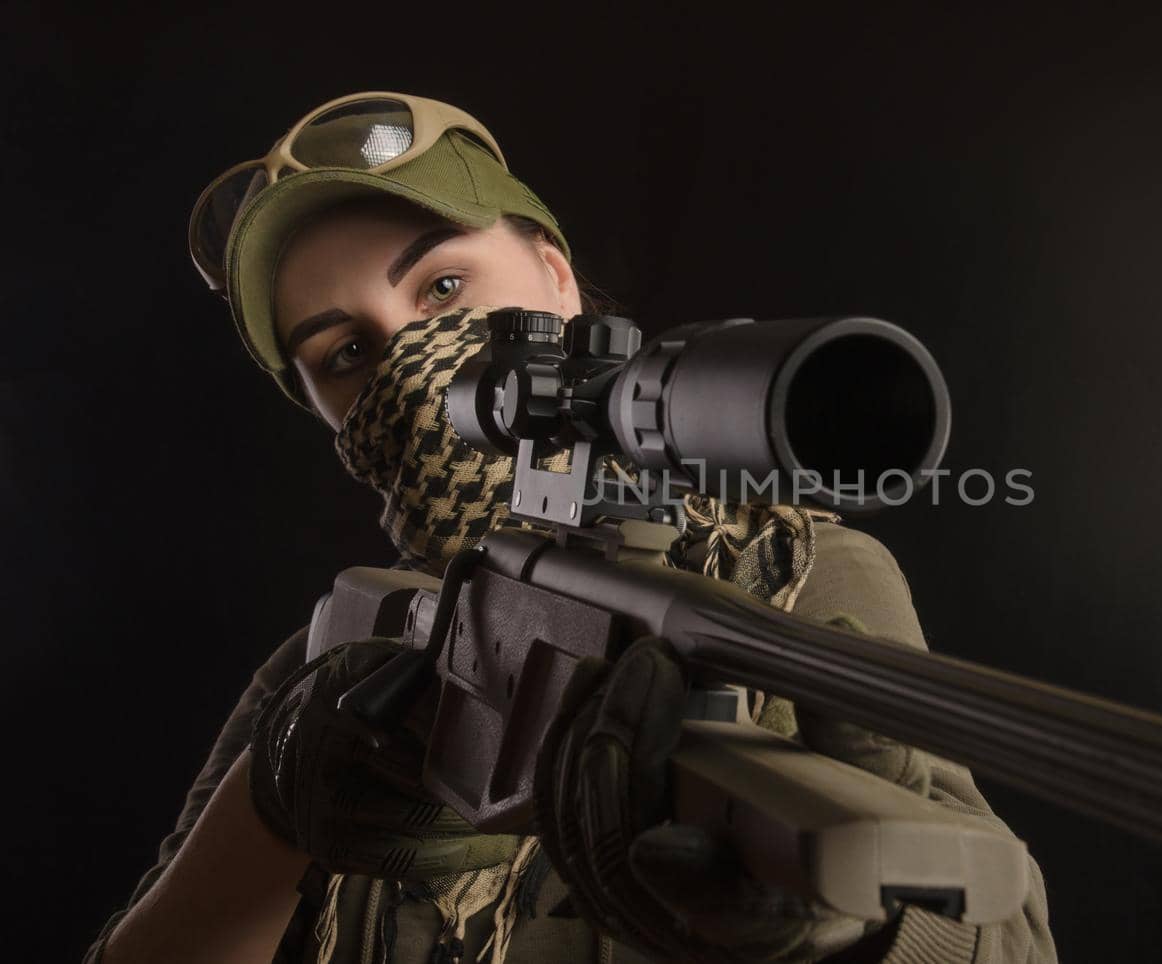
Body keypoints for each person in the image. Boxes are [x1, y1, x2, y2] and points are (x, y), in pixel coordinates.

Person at [87, 92, 1056, 963]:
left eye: (443, 289)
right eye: (346, 352)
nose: (417, 372)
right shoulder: (345, 662)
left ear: (554, 278)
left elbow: (1009, 942)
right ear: (324, 412)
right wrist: (276, 804)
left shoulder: (795, 576)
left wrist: (864, 930)